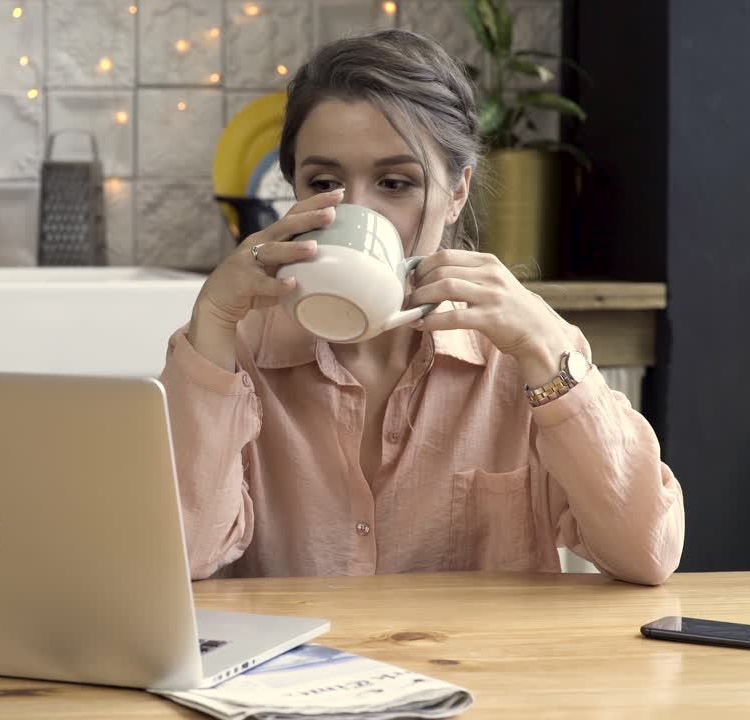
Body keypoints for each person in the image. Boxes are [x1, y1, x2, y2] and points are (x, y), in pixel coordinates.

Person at [158, 29, 684, 585]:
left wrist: (549, 353)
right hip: (292, 671)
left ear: (457, 192)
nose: (356, 210)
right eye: (324, 182)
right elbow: (178, 561)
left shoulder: (523, 355)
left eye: (394, 182)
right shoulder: (234, 351)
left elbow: (646, 554)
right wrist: (212, 323)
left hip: (477, 669)